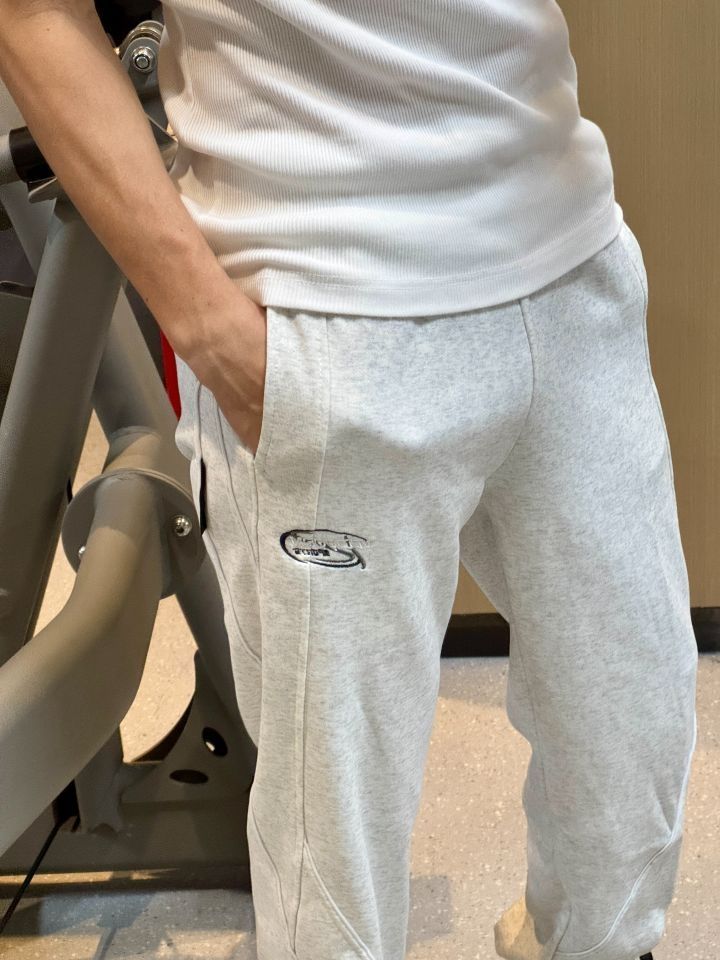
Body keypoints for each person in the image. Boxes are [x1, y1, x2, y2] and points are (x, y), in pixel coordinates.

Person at [0, 3, 698, 959]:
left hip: (572, 270)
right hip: (323, 308)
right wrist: (210, 330)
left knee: (634, 733)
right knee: (336, 829)